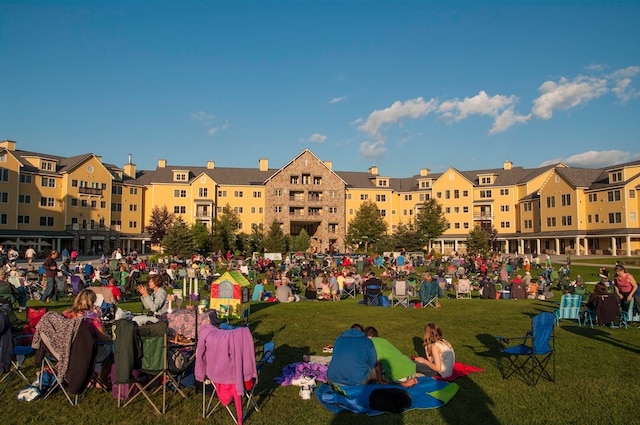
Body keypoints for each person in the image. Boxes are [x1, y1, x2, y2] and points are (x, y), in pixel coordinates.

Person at [63, 289, 112, 387]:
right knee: (113, 352)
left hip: (68, 351)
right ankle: (102, 379)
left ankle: (88, 377)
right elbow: (102, 337)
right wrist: (111, 339)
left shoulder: (66, 314)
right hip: (88, 352)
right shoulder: (92, 317)